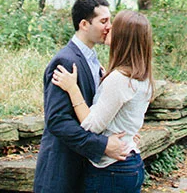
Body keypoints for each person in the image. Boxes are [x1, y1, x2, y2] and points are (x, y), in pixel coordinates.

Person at [51, 10, 154, 193]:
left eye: (113, 26)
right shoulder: (141, 76)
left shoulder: (120, 79)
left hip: (111, 171)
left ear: (123, 37)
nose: (108, 28)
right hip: (129, 165)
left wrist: (73, 89)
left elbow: (91, 126)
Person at [33, 0, 129, 193]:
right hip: (62, 169)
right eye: (104, 21)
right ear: (84, 24)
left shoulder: (92, 60)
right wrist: (102, 145)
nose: (110, 27)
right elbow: (57, 120)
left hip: (83, 168)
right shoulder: (65, 61)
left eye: (110, 21)